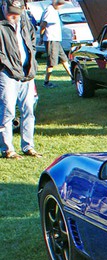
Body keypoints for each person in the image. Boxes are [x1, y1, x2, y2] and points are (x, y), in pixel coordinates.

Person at [0, 0, 39, 159]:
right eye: (11, 12)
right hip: (6, 72)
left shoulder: (24, 19)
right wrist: (4, 64)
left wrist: (32, 62)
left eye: (17, 12)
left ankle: (28, 146)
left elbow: (32, 40)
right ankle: (7, 148)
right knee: (7, 111)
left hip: (26, 71)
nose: (13, 16)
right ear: (3, 6)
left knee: (29, 110)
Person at [40, 0, 70, 88]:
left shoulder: (54, 10)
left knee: (64, 58)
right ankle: (46, 82)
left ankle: (72, 77)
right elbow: (43, 24)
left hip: (56, 39)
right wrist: (41, 37)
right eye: (59, 4)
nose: (60, 7)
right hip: (51, 39)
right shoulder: (49, 10)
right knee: (51, 61)